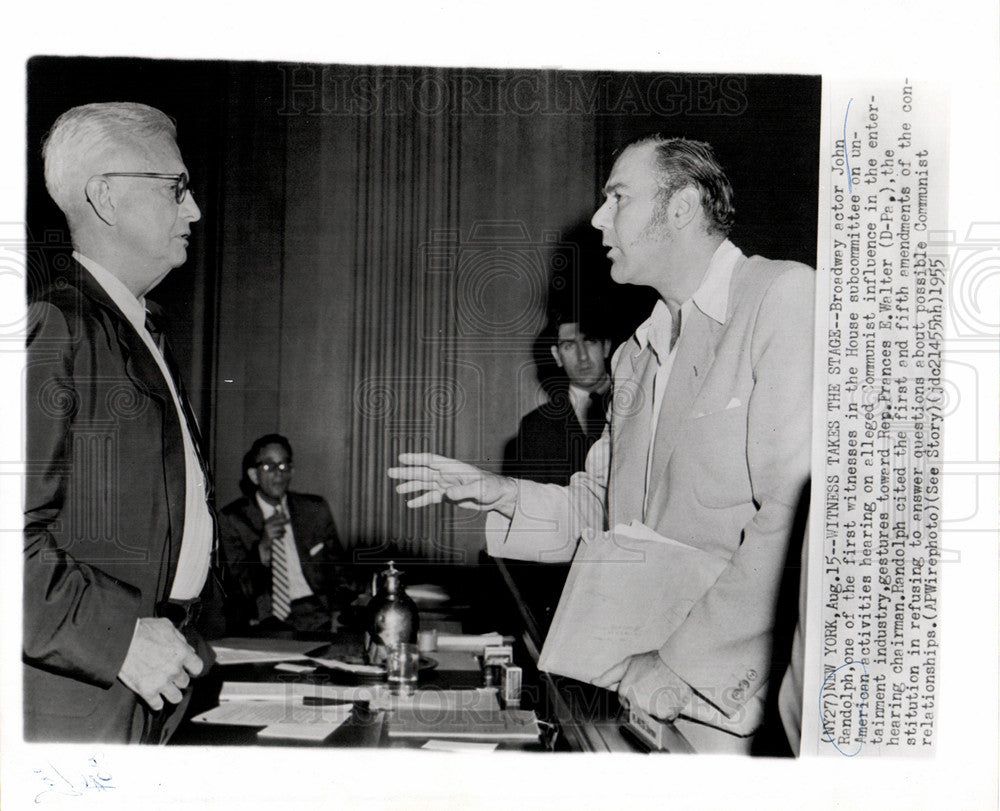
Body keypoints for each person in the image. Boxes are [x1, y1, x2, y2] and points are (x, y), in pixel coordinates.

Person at [389, 135, 813, 753]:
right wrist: (497, 492)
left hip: (728, 707)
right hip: (631, 689)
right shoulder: (635, 357)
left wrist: (678, 665)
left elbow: (796, 524)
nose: (596, 218)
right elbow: (605, 516)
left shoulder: (781, 298)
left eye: (618, 197)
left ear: (682, 207)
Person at [24, 102, 216, 742]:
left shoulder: (135, 325)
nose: (193, 211)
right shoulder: (58, 326)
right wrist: (121, 636)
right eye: (177, 189)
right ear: (106, 197)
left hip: (146, 682)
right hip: (81, 696)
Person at [218, 434, 348, 632]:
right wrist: (262, 548)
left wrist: (338, 613)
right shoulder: (232, 519)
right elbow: (237, 588)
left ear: (291, 471)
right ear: (254, 475)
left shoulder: (314, 510)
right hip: (264, 620)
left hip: (317, 614)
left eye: (284, 466)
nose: (278, 474)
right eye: (269, 467)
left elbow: (339, 571)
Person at [502, 317, 611, 486]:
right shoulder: (535, 427)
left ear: (606, 346)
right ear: (556, 355)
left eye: (590, 341)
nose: (582, 356)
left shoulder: (639, 404)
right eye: (569, 345)